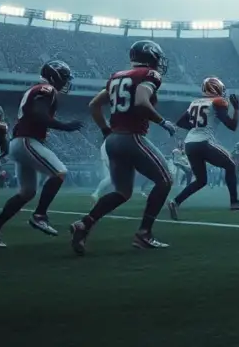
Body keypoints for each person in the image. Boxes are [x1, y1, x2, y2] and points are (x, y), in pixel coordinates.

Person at [69, 41, 177, 256]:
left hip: (113, 139)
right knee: (165, 180)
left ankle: (84, 224)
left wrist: (105, 130)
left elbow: (94, 105)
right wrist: (162, 121)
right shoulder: (149, 75)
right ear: (151, 56)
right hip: (132, 137)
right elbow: (141, 102)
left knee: (122, 192)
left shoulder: (117, 76)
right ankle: (144, 233)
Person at [0, 61, 82, 248]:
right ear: (54, 76)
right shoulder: (46, 89)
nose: (66, 82)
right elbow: (38, 114)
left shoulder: (38, 89)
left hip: (21, 142)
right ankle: (40, 215)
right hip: (27, 140)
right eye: (65, 78)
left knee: (26, 192)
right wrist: (65, 126)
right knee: (60, 172)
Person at [167, 76, 239, 218]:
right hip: (204, 142)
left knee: (201, 180)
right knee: (231, 165)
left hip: (190, 144)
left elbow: (180, 123)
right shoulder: (218, 101)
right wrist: (236, 109)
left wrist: (196, 128)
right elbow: (232, 126)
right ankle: (234, 202)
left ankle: (175, 202)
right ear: (216, 88)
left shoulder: (195, 102)